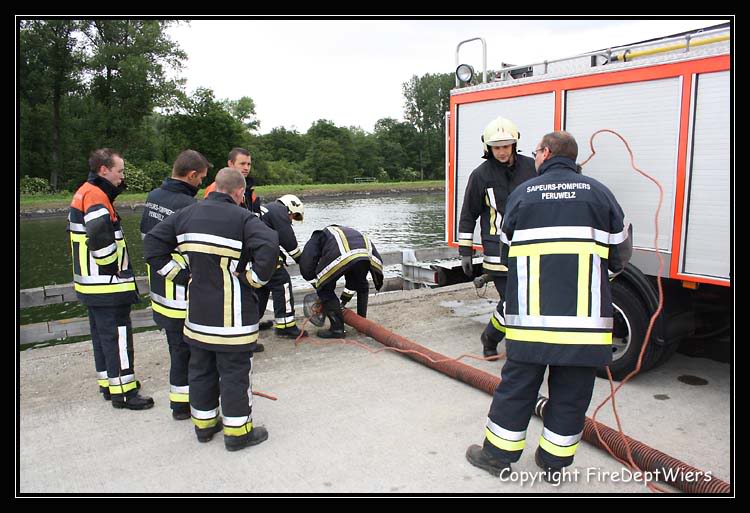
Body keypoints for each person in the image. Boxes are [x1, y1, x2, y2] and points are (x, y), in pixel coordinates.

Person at [465, 131, 633, 484]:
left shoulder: (523, 195)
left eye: (537, 151)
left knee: (516, 389)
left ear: (545, 153)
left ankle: (497, 456)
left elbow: (508, 252)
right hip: (585, 327)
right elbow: (619, 256)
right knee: (571, 395)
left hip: (530, 323)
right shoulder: (600, 194)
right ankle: (553, 463)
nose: (534, 156)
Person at [144, 168, 279, 451]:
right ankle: (238, 433)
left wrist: (180, 275)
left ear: (215, 187)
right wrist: (253, 279)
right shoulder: (243, 218)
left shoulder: (187, 214)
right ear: (239, 193)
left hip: (197, 316)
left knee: (201, 369)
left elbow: (153, 244)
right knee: (234, 373)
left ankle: (204, 427)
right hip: (233, 319)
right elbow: (270, 244)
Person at [68, 148, 153, 410]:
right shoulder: (96, 196)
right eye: (120, 171)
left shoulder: (85, 190)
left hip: (90, 284)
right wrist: (112, 269)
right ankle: (125, 393)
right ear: (104, 170)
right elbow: (99, 236)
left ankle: (109, 384)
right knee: (117, 337)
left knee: (102, 336)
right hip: (107, 284)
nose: (122, 176)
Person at [458, 116, 537, 358]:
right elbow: (468, 215)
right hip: (496, 252)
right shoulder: (480, 175)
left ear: (515, 144)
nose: (501, 152)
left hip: (528, 247)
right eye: (496, 147)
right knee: (511, 300)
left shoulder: (532, 167)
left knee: (528, 299)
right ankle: (492, 337)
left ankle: (511, 338)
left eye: (506, 146)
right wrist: (465, 252)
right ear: (488, 148)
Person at [139, 149, 209, 420]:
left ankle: (179, 405)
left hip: (160, 292)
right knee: (195, 353)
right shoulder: (188, 206)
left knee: (176, 350)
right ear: (191, 175)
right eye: (201, 178)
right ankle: (195, 404)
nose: (201, 183)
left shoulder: (154, 197)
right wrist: (188, 277)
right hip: (182, 295)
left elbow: (150, 241)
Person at [299, 225, 384, 338]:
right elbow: (350, 282)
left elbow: (306, 264)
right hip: (365, 254)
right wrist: (342, 303)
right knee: (361, 283)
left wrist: (318, 286)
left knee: (324, 289)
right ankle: (361, 322)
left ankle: (337, 329)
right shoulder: (345, 232)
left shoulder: (318, 236)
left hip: (344, 253)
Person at [256, 194, 308, 339]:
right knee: (281, 282)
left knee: (261, 287)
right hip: (264, 256)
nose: (291, 220)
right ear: (291, 208)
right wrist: (302, 261)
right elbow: (289, 241)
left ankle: (252, 323)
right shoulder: (279, 211)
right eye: (294, 216)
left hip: (254, 255)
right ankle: (286, 326)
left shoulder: (267, 209)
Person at [203, 147, 261, 214]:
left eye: (248, 164)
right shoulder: (216, 188)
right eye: (242, 164)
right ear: (230, 163)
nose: (246, 168)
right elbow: (208, 213)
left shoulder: (250, 191)